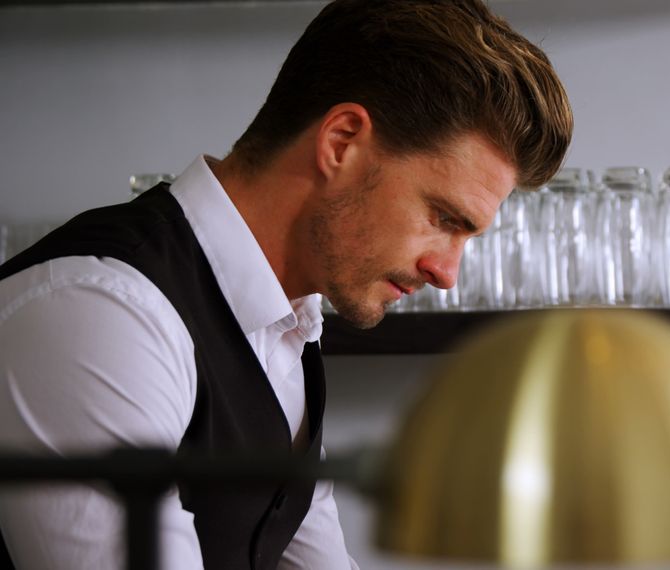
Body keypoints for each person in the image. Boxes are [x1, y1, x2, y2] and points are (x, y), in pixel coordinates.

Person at [0, 0, 572, 567]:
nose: (446, 274)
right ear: (341, 142)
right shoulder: (101, 312)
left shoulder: (286, 328)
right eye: (444, 218)